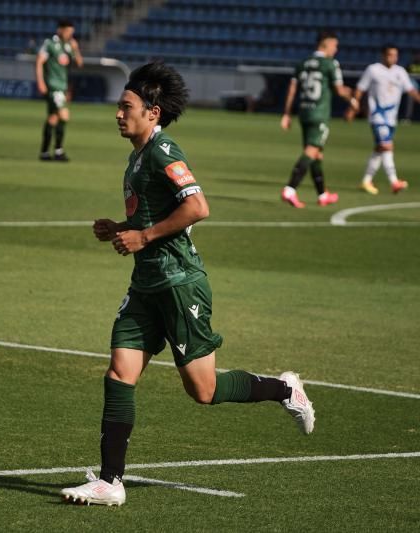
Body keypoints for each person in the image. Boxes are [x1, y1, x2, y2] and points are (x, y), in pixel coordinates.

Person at [60, 62, 315, 507]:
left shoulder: (164, 151)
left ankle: (285, 388)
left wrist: (142, 235)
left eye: (127, 107)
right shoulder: (137, 157)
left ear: (152, 113)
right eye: (119, 107)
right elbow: (153, 217)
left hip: (180, 284)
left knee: (204, 390)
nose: (118, 114)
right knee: (120, 372)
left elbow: (198, 207)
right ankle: (110, 482)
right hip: (146, 285)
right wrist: (122, 227)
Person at [280, 30, 358, 208]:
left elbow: (292, 89)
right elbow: (339, 90)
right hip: (319, 114)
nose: (336, 49)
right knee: (311, 151)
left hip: (304, 112)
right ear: (326, 43)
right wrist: (352, 99)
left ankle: (322, 194)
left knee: (316, 154)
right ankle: (290, 188)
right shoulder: (330, 64)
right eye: (334, 45)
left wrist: (286, 113)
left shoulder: (303, 63)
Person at [348, 45, 420, 194]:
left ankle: (366, 181)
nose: (392, 58)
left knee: (379, 149)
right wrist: (354, 106)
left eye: (395, 55)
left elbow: (411, 90)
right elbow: (360, 88)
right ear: (383, 55)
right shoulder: (373, 70)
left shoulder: (400, 72)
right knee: (387, 146)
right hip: (377, 116)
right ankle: (394, 182)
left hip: (391, 119)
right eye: (389, 55)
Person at [36, 19, 83, 162]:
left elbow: (79, 64)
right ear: (60, 30)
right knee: (64, 116)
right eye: (68, 31)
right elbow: (39, 62)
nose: (70, 34)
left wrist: (76, 49)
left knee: (53, 118)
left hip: (61, 88)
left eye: (71, 32)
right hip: (53, 86)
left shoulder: (68, 46)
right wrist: (40, 82)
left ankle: (44, 152)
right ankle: (58, 151)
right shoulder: (50, 44)